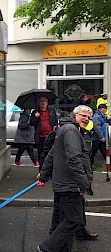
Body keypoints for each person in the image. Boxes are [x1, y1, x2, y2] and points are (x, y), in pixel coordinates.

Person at [37, 105, 94, 252]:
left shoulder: (66, 129)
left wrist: (43, 175)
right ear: (74, 115)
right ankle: (47, 247)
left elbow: (52, 154)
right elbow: (74, 158)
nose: (86, 119)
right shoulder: (71, 131)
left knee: (62, 218)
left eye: (88, 117)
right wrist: (83, 184)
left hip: (63, 182)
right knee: (74, 219)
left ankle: (59, 247)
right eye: (83, 115)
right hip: (70, 184)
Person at [30, 95, 57, 172]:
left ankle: (50, 171)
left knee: (51, 154)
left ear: (47, 103)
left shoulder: (51, 111)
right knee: (41, 155)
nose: (43, 103)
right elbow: (32, 123)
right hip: (40, 137)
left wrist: (55, 128)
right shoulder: (35, 112)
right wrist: (35, 117)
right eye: (41, 101)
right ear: (39, 103)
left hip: (50, 136)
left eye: (44, 101)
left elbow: (55, 121)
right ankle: (41, 171)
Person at [89, 104, 107, 168]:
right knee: (93, 152)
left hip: (101, 138)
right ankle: (89, 165)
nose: (106, 110)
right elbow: (97, 127)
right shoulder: (97, 116)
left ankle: (109, 165)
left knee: (105, 152)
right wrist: (101, 137)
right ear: (101, 109)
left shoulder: (101, 116)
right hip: (97, 138)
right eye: (105, 109)